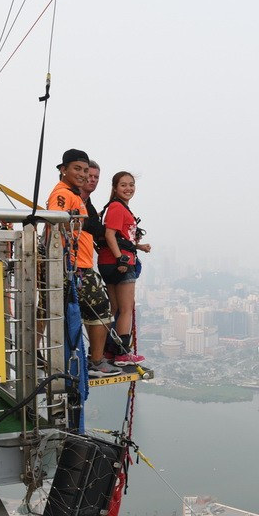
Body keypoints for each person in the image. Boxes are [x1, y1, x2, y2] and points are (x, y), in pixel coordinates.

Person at [45, 149, 119, 378]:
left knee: (65, 312)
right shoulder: (63, 194)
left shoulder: (75, 196)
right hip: (74, 265)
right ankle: (96, 362)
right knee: (100, 312)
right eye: (77, 168)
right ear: (63, 169)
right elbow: (56, 219)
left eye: (85, 170)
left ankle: (80, 359)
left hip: (78, 263)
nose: (83, 174)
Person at [98, 171, 150, 366]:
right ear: (115, 188)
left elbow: (121, 237)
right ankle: (122, 353)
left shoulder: (115, 208)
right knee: (126, 309)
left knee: (116, 309)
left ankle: (110, 351)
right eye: (123, 185)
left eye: (131, 185)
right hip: (119, 263)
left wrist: (139, 246)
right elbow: (111, 235)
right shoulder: (117, 208)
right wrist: (121, 259)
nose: (128, 188)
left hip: (108, 262)